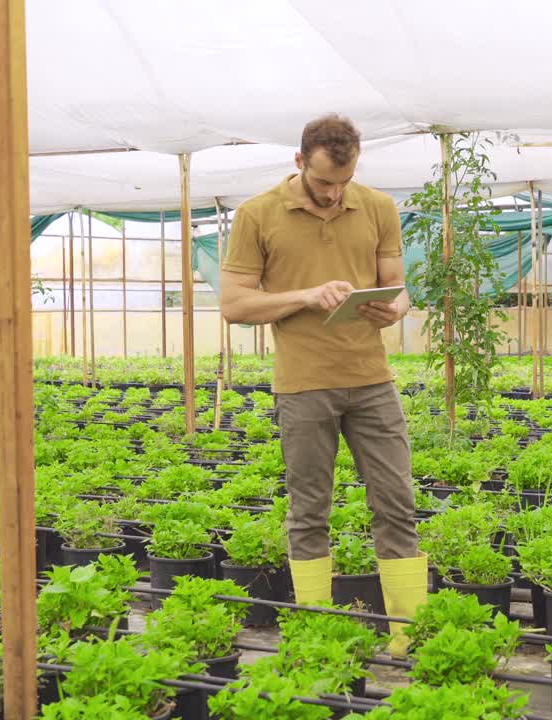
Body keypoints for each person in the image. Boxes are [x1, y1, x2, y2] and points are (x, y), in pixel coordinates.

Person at [218, 113, 425, 654]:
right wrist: (306, 296)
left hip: (372, 380)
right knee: (310, 510)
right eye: (324, 182)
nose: (335, 194)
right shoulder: (257, 215)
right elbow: (235, 305)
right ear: (299, 161)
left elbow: (396, 286)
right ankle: (314, 629)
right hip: (304, 384)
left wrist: (395, 308)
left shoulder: (377, 206)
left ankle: (410, 633)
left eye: (344, 182)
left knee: (396, 503)